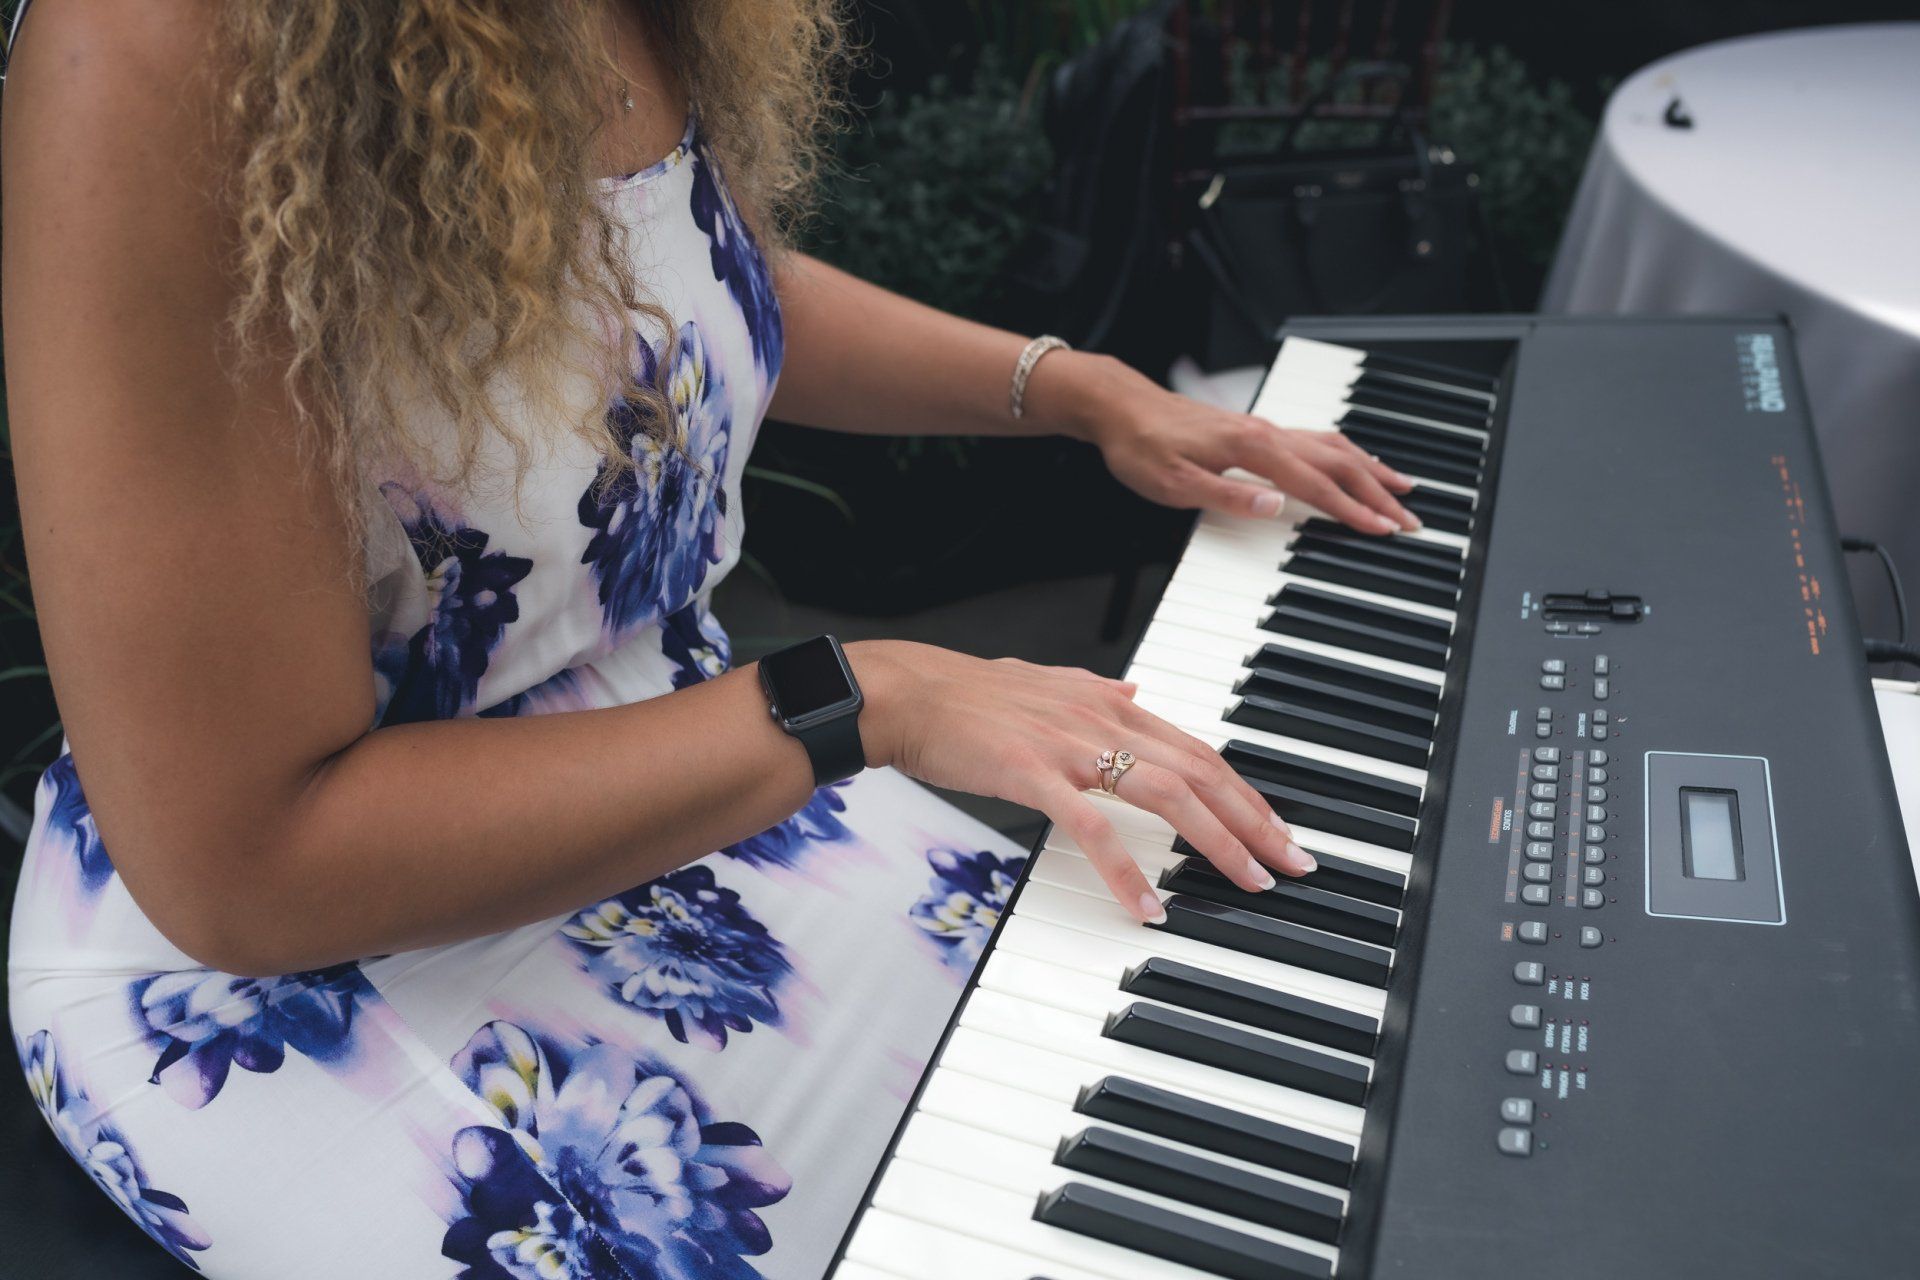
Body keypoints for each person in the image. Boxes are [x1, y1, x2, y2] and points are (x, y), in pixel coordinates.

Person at [0, 1, 1419, 1276]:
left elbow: (674, 285)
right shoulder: (157, 47)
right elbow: (249, 864)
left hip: (683, 767)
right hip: (290, 968)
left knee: (1142, 1039)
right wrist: (860, 703)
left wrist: (1076, 391)